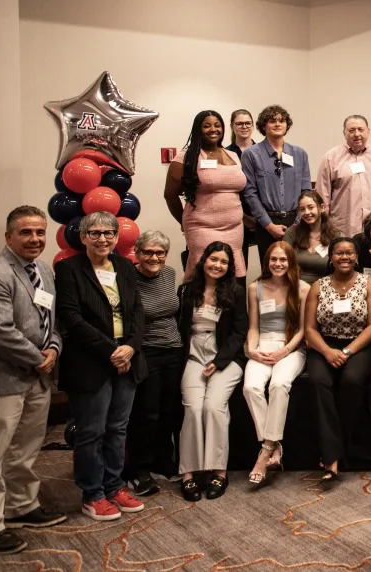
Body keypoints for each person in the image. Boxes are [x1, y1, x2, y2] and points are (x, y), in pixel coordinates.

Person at [0, 206, 67, 553]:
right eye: (26, 232)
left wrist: (54, 347)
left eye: (40, 232)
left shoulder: (42, 269)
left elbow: (51, 319)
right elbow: (0, 332)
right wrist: (39, 359)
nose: (35, 239)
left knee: (26, 448)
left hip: (37, 378)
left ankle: (21, 506)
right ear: (8, 236)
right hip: (2, 378)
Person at [55, 211, 147, 521]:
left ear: (117, 237)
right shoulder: (69, 269)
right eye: (94, 233)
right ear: (82, 238)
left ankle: (114, 486)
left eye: (108, 232)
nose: (102, 238)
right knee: (91, 431)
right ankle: (92, 493)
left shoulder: (124, 266)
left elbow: (136, 311)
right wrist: (113, 350)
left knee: (118, 429)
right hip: (90, 362)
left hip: (127, 359)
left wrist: (131, 347)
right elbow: (72, 318)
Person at [302, 236, 371, 481]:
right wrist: (328, 351)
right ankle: (334, 455)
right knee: (318, 382)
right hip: (325, 344)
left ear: (356, 257)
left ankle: (332, 453)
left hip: (361, 345)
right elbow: (309, 329)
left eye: (349, 253)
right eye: (339, 253)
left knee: (351, 380)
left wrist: (347, 352)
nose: (345, 257)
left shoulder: (369, 285)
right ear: (331, 258)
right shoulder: (319, 286)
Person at [175, 242, 247, 501]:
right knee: (193, 408)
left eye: (224, 262)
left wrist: (220, 360)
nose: (217, 265)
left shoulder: (236, 292)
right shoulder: (186, 291)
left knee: (214, 407)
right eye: (213, 259)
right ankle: (189, 473)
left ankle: (219, 470)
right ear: (203, 260)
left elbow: (240, 332)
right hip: (193, 354)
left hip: (225, 357)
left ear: (230, 267)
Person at [242, 242, 309, 486]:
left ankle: (265, 450)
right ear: (267, 262)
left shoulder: (302, 288)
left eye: (283, 260)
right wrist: (252, 351)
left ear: (291, 262)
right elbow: (253, 327)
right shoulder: (255, 287)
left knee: (279, 384)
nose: (278, 264)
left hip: (291, 347)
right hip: (262, 346)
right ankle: (274, 443)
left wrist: (285, 350)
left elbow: (303, 330)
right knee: (251, 388)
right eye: (273, 260)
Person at [123, 231, 183, 497]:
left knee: (169, 410)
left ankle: (162, 459)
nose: (153, 257)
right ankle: (138, 469)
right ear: (137, 252)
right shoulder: (127, 277)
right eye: (147, 252)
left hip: (174, 349)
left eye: (159, 252)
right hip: (145, 351)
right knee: (146, 412)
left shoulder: (169, 274)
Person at [163, 110, 246, 280]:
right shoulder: (187, 157)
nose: (213, 129)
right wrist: (184, 223)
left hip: (234, 228)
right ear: (198, 129)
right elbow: (170, 195)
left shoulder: (233, 155)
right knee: (205, 275)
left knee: (233, 275)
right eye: (206, 126)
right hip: (201, 228)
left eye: (217, 125)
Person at [241, 105, 313, 270]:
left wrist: (297, 223)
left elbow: (306, 191)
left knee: (296, 272)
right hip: (267, 223)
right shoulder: (251, 154)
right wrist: (268, 225)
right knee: (270, 272)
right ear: (263, 125)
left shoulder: (299, 153)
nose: (277, 124)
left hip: (297, 221)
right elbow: (250, 193)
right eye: (272, 121)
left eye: (282, 120)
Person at [316, 115, 371, 237]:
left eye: (361, 129)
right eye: (351, 130)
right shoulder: (331, 158)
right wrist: (323, 227)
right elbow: (323, 196)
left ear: (368, 132)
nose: (356, 134)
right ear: (344, 133)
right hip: (343, 229)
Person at [282, 191, 336, 284]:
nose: (306, 212)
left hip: (325, 289)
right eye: (302, 209)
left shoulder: (335, 236)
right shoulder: (292, 232)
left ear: (322, 207)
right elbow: (282, 261)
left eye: (311, 207)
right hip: (296, 288)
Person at [226, 109, 257, 269]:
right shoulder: (226, 154)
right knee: (237, 268)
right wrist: (243, 217)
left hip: (262, 218)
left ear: (252, 126)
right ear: (232, 126)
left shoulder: (263, 152)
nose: (244, 126)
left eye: (247, 123)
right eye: (239, 123)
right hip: (236, 218)